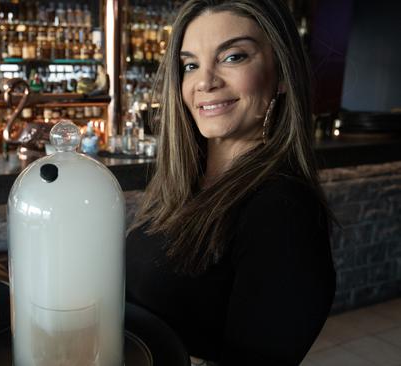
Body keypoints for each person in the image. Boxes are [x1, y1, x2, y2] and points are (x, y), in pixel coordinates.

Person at [125, 0, 336, 365]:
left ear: (282, 73)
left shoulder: (282, 210)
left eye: (233, 57)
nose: (205, 81)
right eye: (190, 65)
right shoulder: (182, 183)